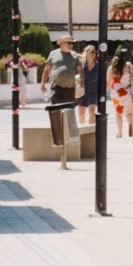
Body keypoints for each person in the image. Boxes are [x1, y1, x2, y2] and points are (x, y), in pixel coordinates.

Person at [41, 36, 80, 168]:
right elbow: (47, 69)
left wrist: (82, 81)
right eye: (68, 43)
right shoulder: (53, 54)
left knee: (69, 115)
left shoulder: (74, 55)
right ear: (61, 44)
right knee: (56, 114)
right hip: (57, 89)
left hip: (70, 89)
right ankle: (58, 142)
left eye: (72, 43)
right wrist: (42, 84)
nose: (70, 45)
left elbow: (80, 70)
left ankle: (69, 142)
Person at [109, 47, 133, 138]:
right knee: (129, 113)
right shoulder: (129, 66)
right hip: (127, 93)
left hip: (116, 93)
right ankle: (131, 131)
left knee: (118, 113)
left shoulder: (112, 67)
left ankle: (119, 133)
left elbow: (108, 80)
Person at [77, 43, 99, 129]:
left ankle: (91, 129)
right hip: (82, 91)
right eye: (91, 52)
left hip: (93, 92)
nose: (93, 54)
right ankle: (82, 130)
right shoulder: (82, 65)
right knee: (81, 113)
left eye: (94, 52)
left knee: (92, 110)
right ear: (86, 53)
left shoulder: (98, 65)